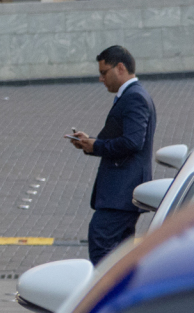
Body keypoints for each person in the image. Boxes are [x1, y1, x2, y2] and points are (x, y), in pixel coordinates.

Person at [67, 45, 157, 264]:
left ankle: (106, 295)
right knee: (121, 254)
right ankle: (123, 294)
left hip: (122, 191)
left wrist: (96, 146)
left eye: (104, 72)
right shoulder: (132, 95)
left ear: (120, 68)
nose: (101, 78)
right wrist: (91, 142)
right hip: (123, 192)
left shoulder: (134, 97)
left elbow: (133, 142)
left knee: (101, 243)